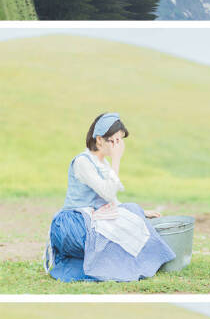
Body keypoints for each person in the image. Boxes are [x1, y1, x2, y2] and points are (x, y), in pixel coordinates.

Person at [45, 109, 176, 281]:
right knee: (124, 220)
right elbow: (107, 191)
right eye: (114, 141)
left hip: (91, 218)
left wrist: (140, 212)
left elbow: (112, 201)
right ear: (99, 140)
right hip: (73, 224)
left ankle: (150, 260)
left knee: (132, 209)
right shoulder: (83, 162)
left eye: (120, 141)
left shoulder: (102, 163)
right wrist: (116, 160)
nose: (118, 146)